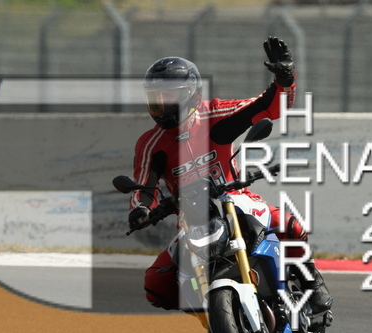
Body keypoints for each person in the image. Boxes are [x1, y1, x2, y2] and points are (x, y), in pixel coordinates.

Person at [128, 36, 332, 318]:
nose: (162, 105)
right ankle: (215, 318)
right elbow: (144, 188)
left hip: (235, 199)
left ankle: (312, 282)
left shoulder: (214, 113)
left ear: (191, 93)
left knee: (290, 225)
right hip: (192, 220)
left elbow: (270, 106)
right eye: (156, 98)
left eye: (169, 97)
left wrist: (284, 79)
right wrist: (141, 209)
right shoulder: (150, 144)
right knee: (155, 285)